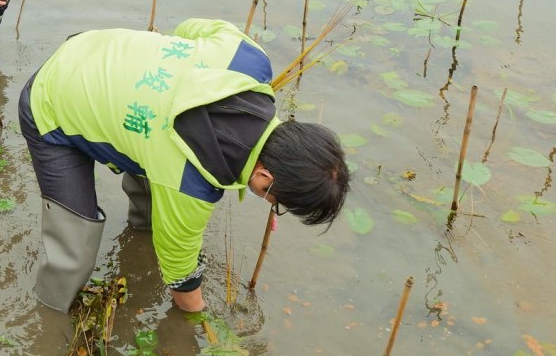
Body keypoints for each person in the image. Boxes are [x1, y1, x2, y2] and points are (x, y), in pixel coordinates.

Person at [18, 18, 350, 313]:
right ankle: (50, 313)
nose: (271, 203)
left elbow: (191, 29)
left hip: (92, 46)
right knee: (74, 244)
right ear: (264, 176)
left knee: (157, 161)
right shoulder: (191, 184)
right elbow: (179, 268)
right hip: (51, 99)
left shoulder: (250, 60)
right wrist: (195, 315)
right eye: (275, 202)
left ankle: (142, 229)